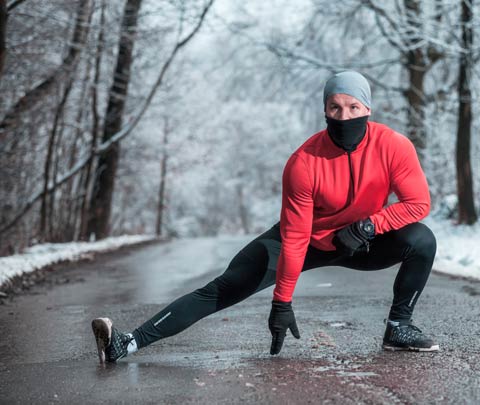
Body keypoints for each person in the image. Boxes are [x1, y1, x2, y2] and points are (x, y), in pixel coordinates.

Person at [91, 71, 439, 363]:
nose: (344, 116)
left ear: (368, 108)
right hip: (308, 240)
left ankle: (398, 327)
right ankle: (126, 343)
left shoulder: (393, 146)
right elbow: (296, 237)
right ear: (325, 111)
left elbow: (418, 203)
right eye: (335, 107)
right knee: (222, 288)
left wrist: (369, 225)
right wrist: (282, 301)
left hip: (362, 239)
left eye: (353, 107)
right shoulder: (304, 162)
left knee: (420, 239)